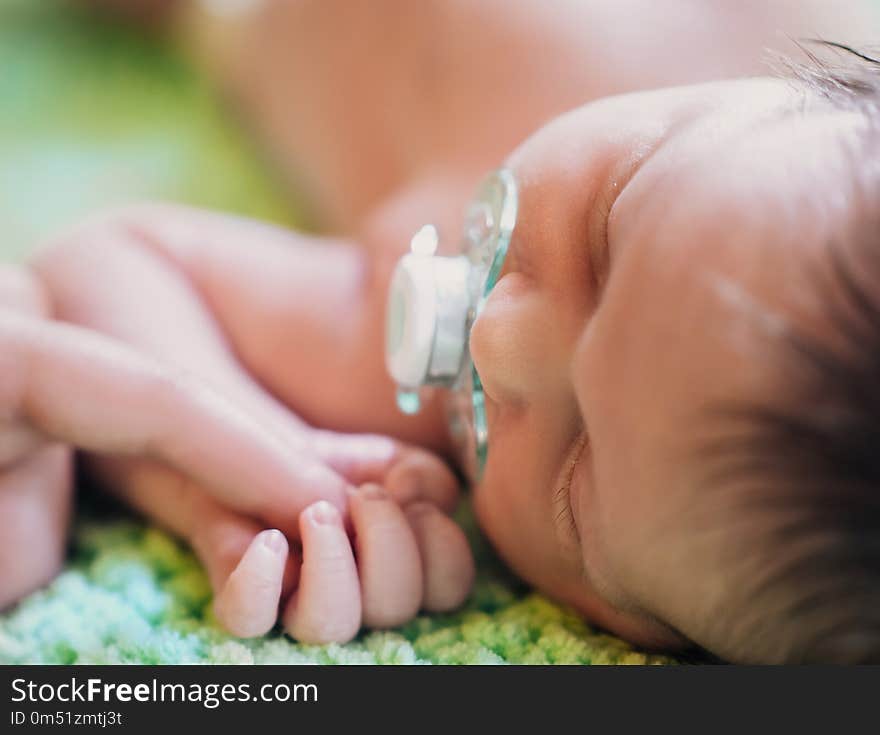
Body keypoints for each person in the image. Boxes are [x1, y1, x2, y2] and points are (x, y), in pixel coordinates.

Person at [5, 1, 880, 662]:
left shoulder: (404, 331)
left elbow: (109, 262)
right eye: (605, 229)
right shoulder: (802, 165)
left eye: (576, 475)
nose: (498, 339)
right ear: (772, 86)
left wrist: (257, 468)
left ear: (638, 632)